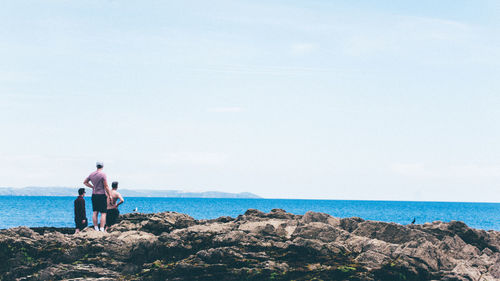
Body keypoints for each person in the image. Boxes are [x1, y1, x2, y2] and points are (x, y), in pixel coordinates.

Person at [83, 161, 111, 232]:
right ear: (102, 166)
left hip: (94, 194)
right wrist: (109, 195)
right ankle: (101, 228)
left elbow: (85, 182)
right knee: (103, 213)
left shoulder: (91, 174)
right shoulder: (103, 174)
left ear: (96, 166)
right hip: (101, 194)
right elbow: (106, 186)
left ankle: (96, 228)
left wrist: (92, 187)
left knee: (95, 212)